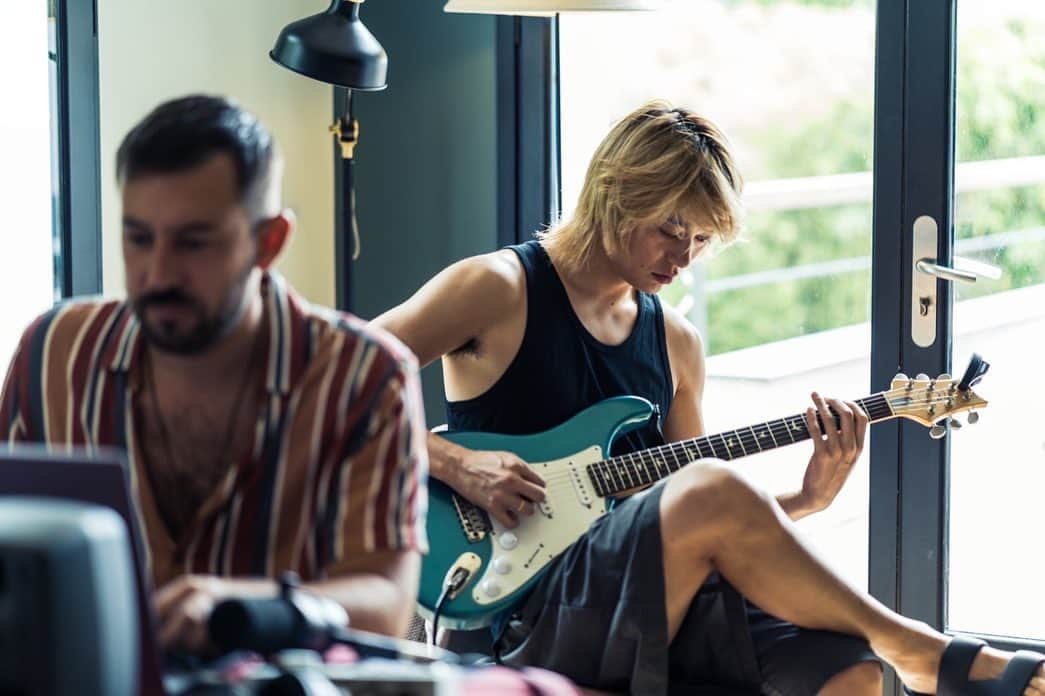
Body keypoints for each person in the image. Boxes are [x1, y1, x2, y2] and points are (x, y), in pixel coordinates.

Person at [373, 101, 1045, 695]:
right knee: (712, 489)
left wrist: (807, 501)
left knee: (847, 672)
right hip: (518, 604)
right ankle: (921, 649)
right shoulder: (497, 289)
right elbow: (343, 378)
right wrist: (457, 463)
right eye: (670, 228)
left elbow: (692, 523)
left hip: (643, 597)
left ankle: (900, 653)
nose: (683, 257)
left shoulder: (675, 341)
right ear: (614, 192)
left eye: (699, 240)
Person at [0, 95, 429, 656]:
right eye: (138, 238)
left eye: (193, 243)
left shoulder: (366, 376)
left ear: (269, 242)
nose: (158, 274)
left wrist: (245, 611)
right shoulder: (53, 352)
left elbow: (385, 604)